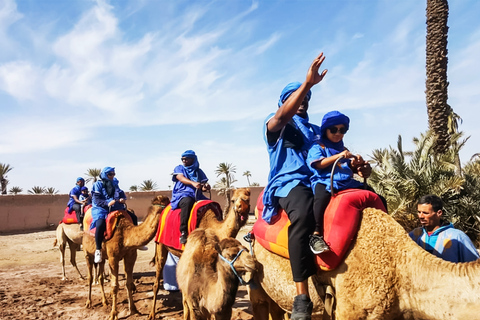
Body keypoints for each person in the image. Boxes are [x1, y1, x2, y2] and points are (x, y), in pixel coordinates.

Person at [262, 52, 327, 320]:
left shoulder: (313, 130)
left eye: (306, 99)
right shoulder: (275, 124)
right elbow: (282, 116)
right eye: (297, 98)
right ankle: (302, 296)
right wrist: (307, 85)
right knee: (302, 214)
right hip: (289, 182)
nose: (303, 102)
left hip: (316, 179)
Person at [306, 110, 379, 254]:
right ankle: (316, 234)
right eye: (333, 130)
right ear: (325, 130)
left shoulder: (343, 149)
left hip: (347, 182)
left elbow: (347, 166)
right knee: (321, 199)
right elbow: (319, 164)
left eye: (342, 130)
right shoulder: (317, 147)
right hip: (326, 181)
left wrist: (357, 164)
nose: (338, 133)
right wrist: (339, 156)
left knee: (375, 196)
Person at [409, 194, 479, 263]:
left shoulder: (458, 237)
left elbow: (474, 267)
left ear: (439, 213)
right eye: (419, 212)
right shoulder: (415, 235)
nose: (421, 216)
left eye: (425, 213)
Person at [170, 150, 211, 245]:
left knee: (211, 204)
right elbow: (180, 177)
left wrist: (205, 187)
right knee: (187, 202)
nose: (184, 161)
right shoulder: (179, 168)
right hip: (183, 194)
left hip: (198, 195)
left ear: (193, 159)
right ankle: (183, 232)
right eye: (182, 159)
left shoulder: (198, 172)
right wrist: (192, 183)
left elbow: (203, 185)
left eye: (186, 159)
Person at [91, 167, 127, 263]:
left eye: (113, 174)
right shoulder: (97, 185)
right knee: (100, 224)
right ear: (104, 175)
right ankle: (98, 250)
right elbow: (97, 200)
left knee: (132, 217)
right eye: (110, 174)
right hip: (101, 209)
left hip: (115, 207)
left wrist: (122, 199)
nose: (112, 176)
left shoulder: (114, 183)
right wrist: (107, 203)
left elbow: (121, 194)